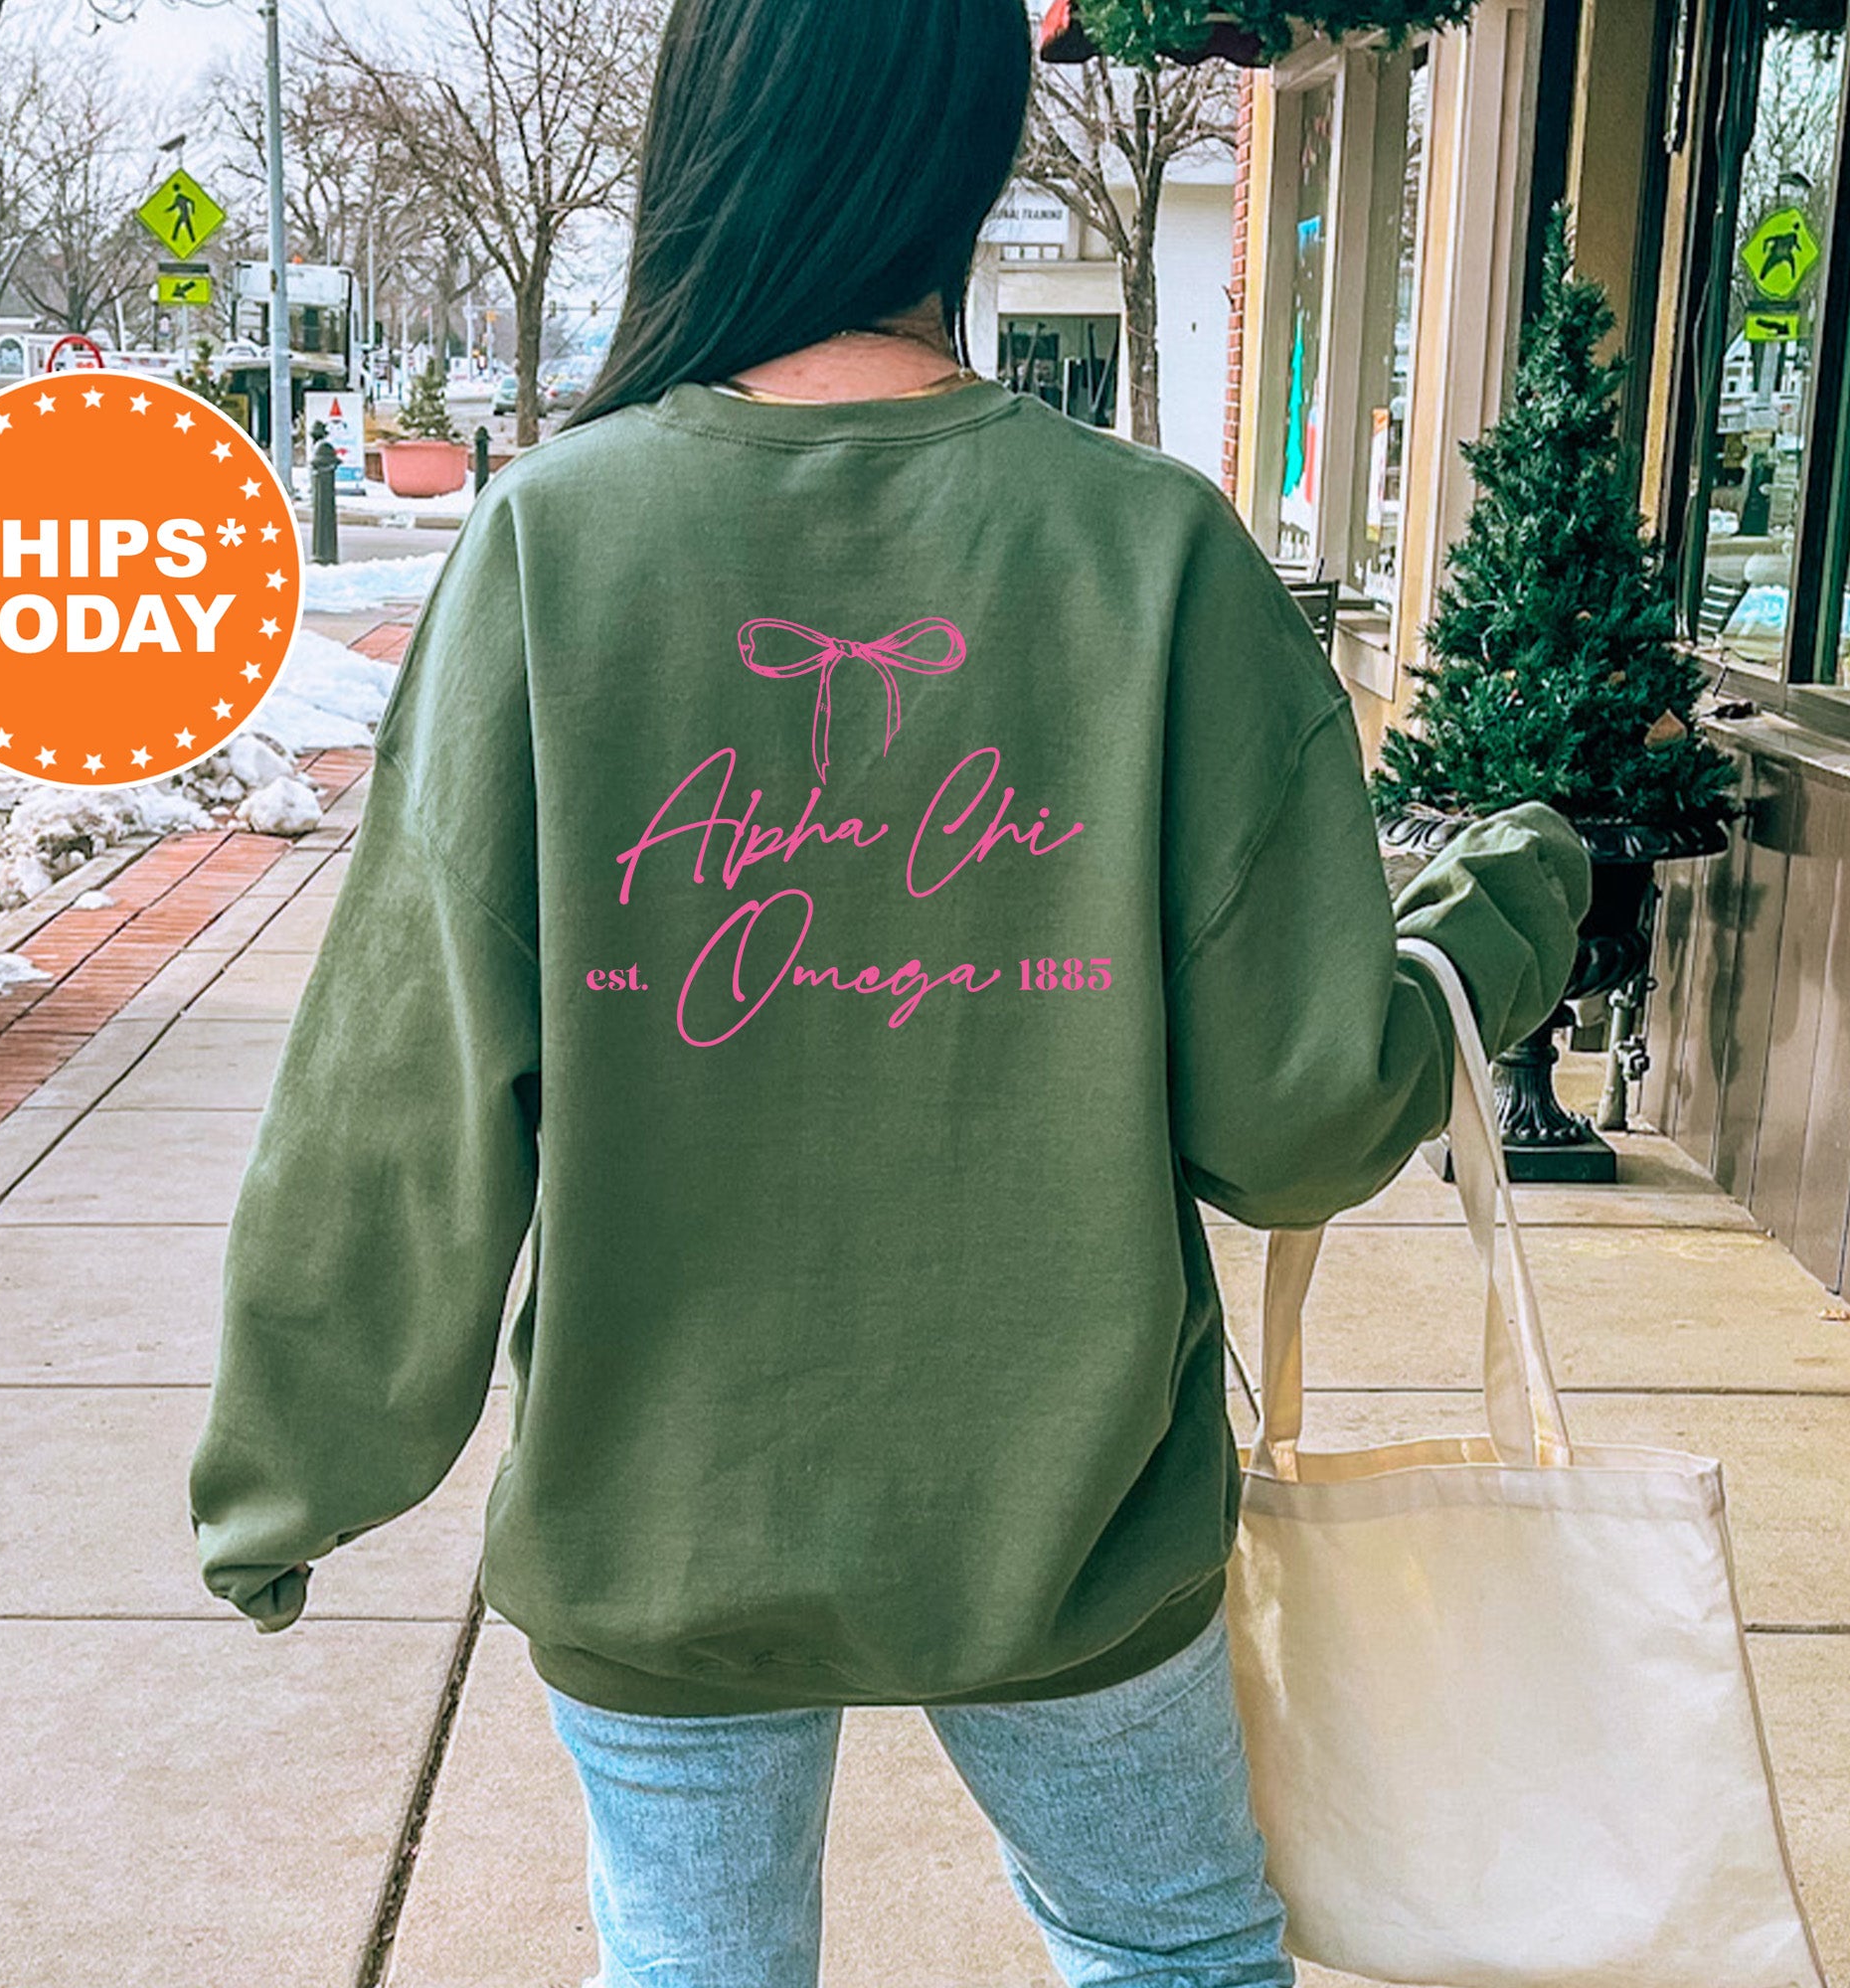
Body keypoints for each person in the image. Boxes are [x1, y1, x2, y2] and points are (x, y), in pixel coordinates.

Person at [187, 1, 1591, 1981]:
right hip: (1070, 1516)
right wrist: (1507, 906)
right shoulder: (1150, 556)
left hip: (661, 1520)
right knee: (1171, 1950)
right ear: (961, 149)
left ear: (706, 139)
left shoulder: (548, 553)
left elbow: (393, 1106)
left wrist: (291, 1471)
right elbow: (1296, 1118)